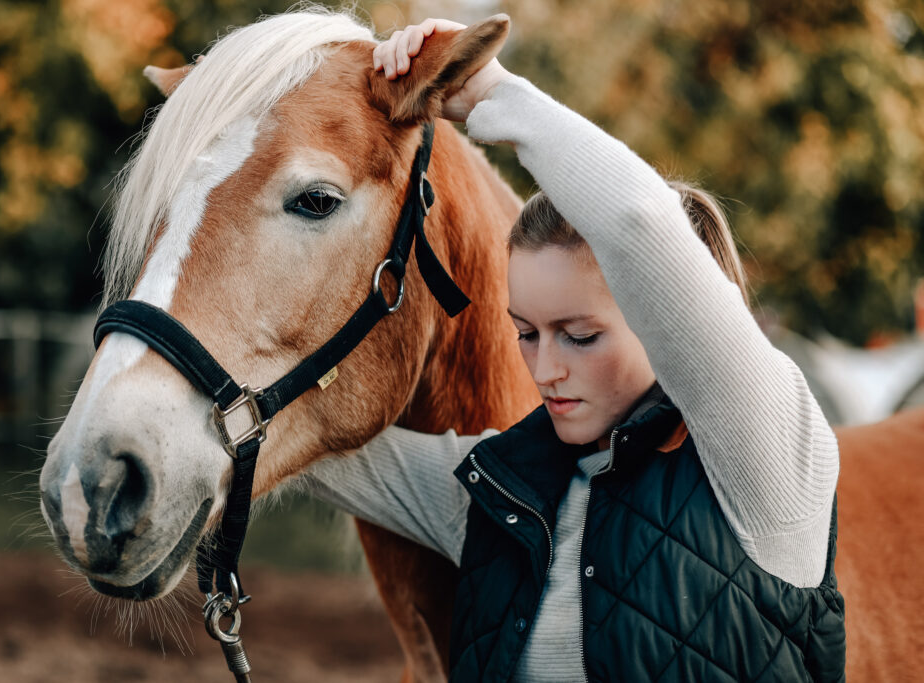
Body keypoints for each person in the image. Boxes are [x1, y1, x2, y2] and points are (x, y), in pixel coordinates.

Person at [304, 18, 845, 682]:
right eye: (526, 332)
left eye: (580, 335)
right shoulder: (494, 490)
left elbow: (638, 220)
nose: (546, 369)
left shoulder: (770, 462)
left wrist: (486, 92)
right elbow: (274, 421)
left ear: (661, 318)